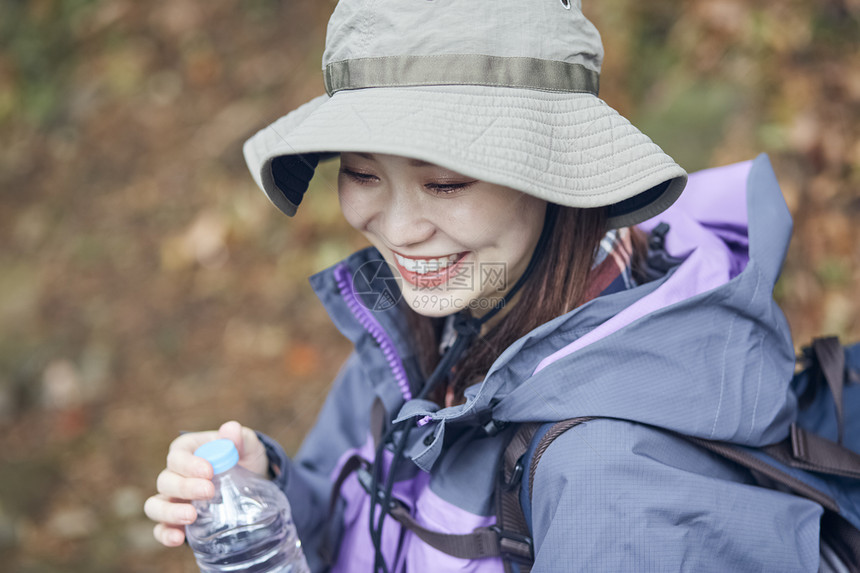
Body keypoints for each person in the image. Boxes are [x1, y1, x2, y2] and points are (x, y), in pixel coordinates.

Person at [145, 1, 820, 571]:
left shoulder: (618, 490)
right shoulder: (442, 314)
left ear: (560, 171)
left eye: (445, 181)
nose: (400, 229)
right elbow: (361, 524)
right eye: (361, 172)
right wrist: (274, 491)